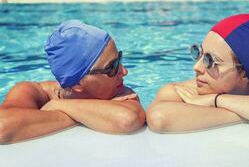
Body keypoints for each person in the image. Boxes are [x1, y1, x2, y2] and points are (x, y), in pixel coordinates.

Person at [147, 14, 249, 133]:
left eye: (210, 60)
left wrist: (216, 100)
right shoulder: (180, 92)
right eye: (199, 53)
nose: (196, 67)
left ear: (244, 73)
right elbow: (159, 118)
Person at [0, 20, 145, 144]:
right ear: (78, 83)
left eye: (119, 59)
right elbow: (2, 126)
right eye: (112, 67)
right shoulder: (33, 91)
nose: (124, 71)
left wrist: (57, 105)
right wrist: (77, 115)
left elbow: (129, 120)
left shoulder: (118, 89)